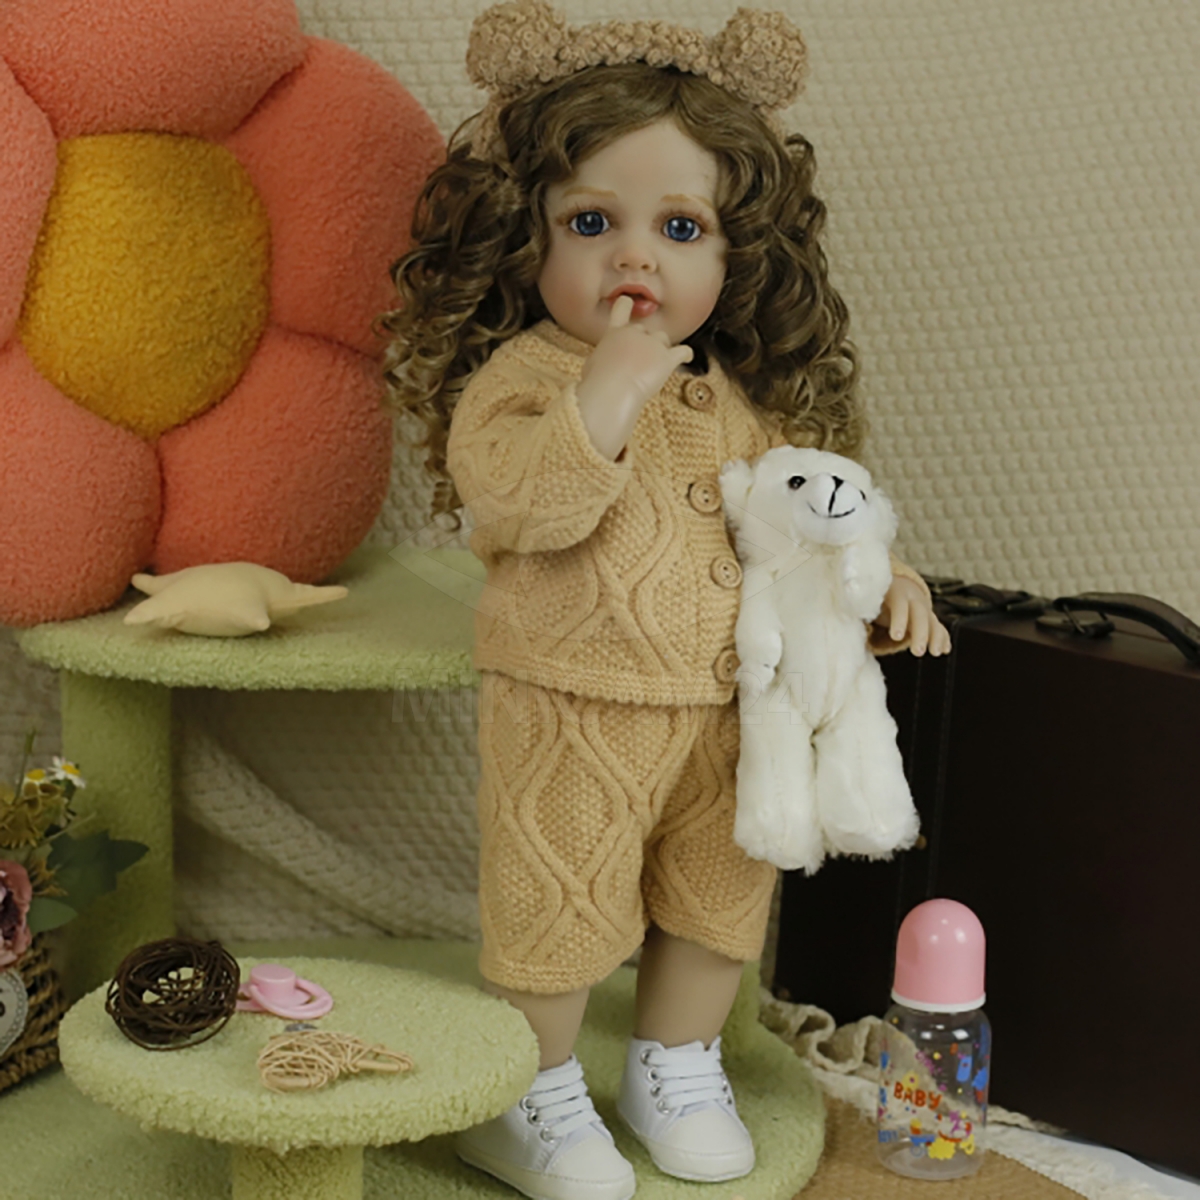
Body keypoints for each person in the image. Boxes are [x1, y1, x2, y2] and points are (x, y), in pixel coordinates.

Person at [383, 5, 949, 1198]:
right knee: (556, 902)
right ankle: (526, 1094)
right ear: (526, 238)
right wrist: (606, 393)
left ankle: (675, 1065)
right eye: (592, 223)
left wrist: (879, 579)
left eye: (679, 227)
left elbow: (804, 518)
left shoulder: (733, 401)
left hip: (728, 713)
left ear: (736, 257)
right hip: (571, 705)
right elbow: (519, 502)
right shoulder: (524, 381)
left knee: (714, 900)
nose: (634, 258)